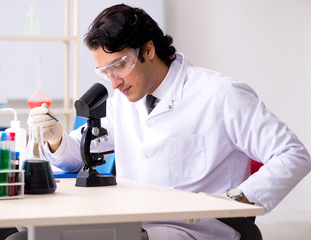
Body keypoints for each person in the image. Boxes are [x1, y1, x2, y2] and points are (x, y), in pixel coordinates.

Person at [28, 4, 311, 240]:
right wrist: (56, 137)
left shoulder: (220, 94)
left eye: (119, 66)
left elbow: (293, 154)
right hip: (134, 225)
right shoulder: (126, 103)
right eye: (105, 71)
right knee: (25, 235)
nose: (114, 83)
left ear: (148, 50)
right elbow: (81, 153)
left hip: (196, 230)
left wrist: (235, 200)